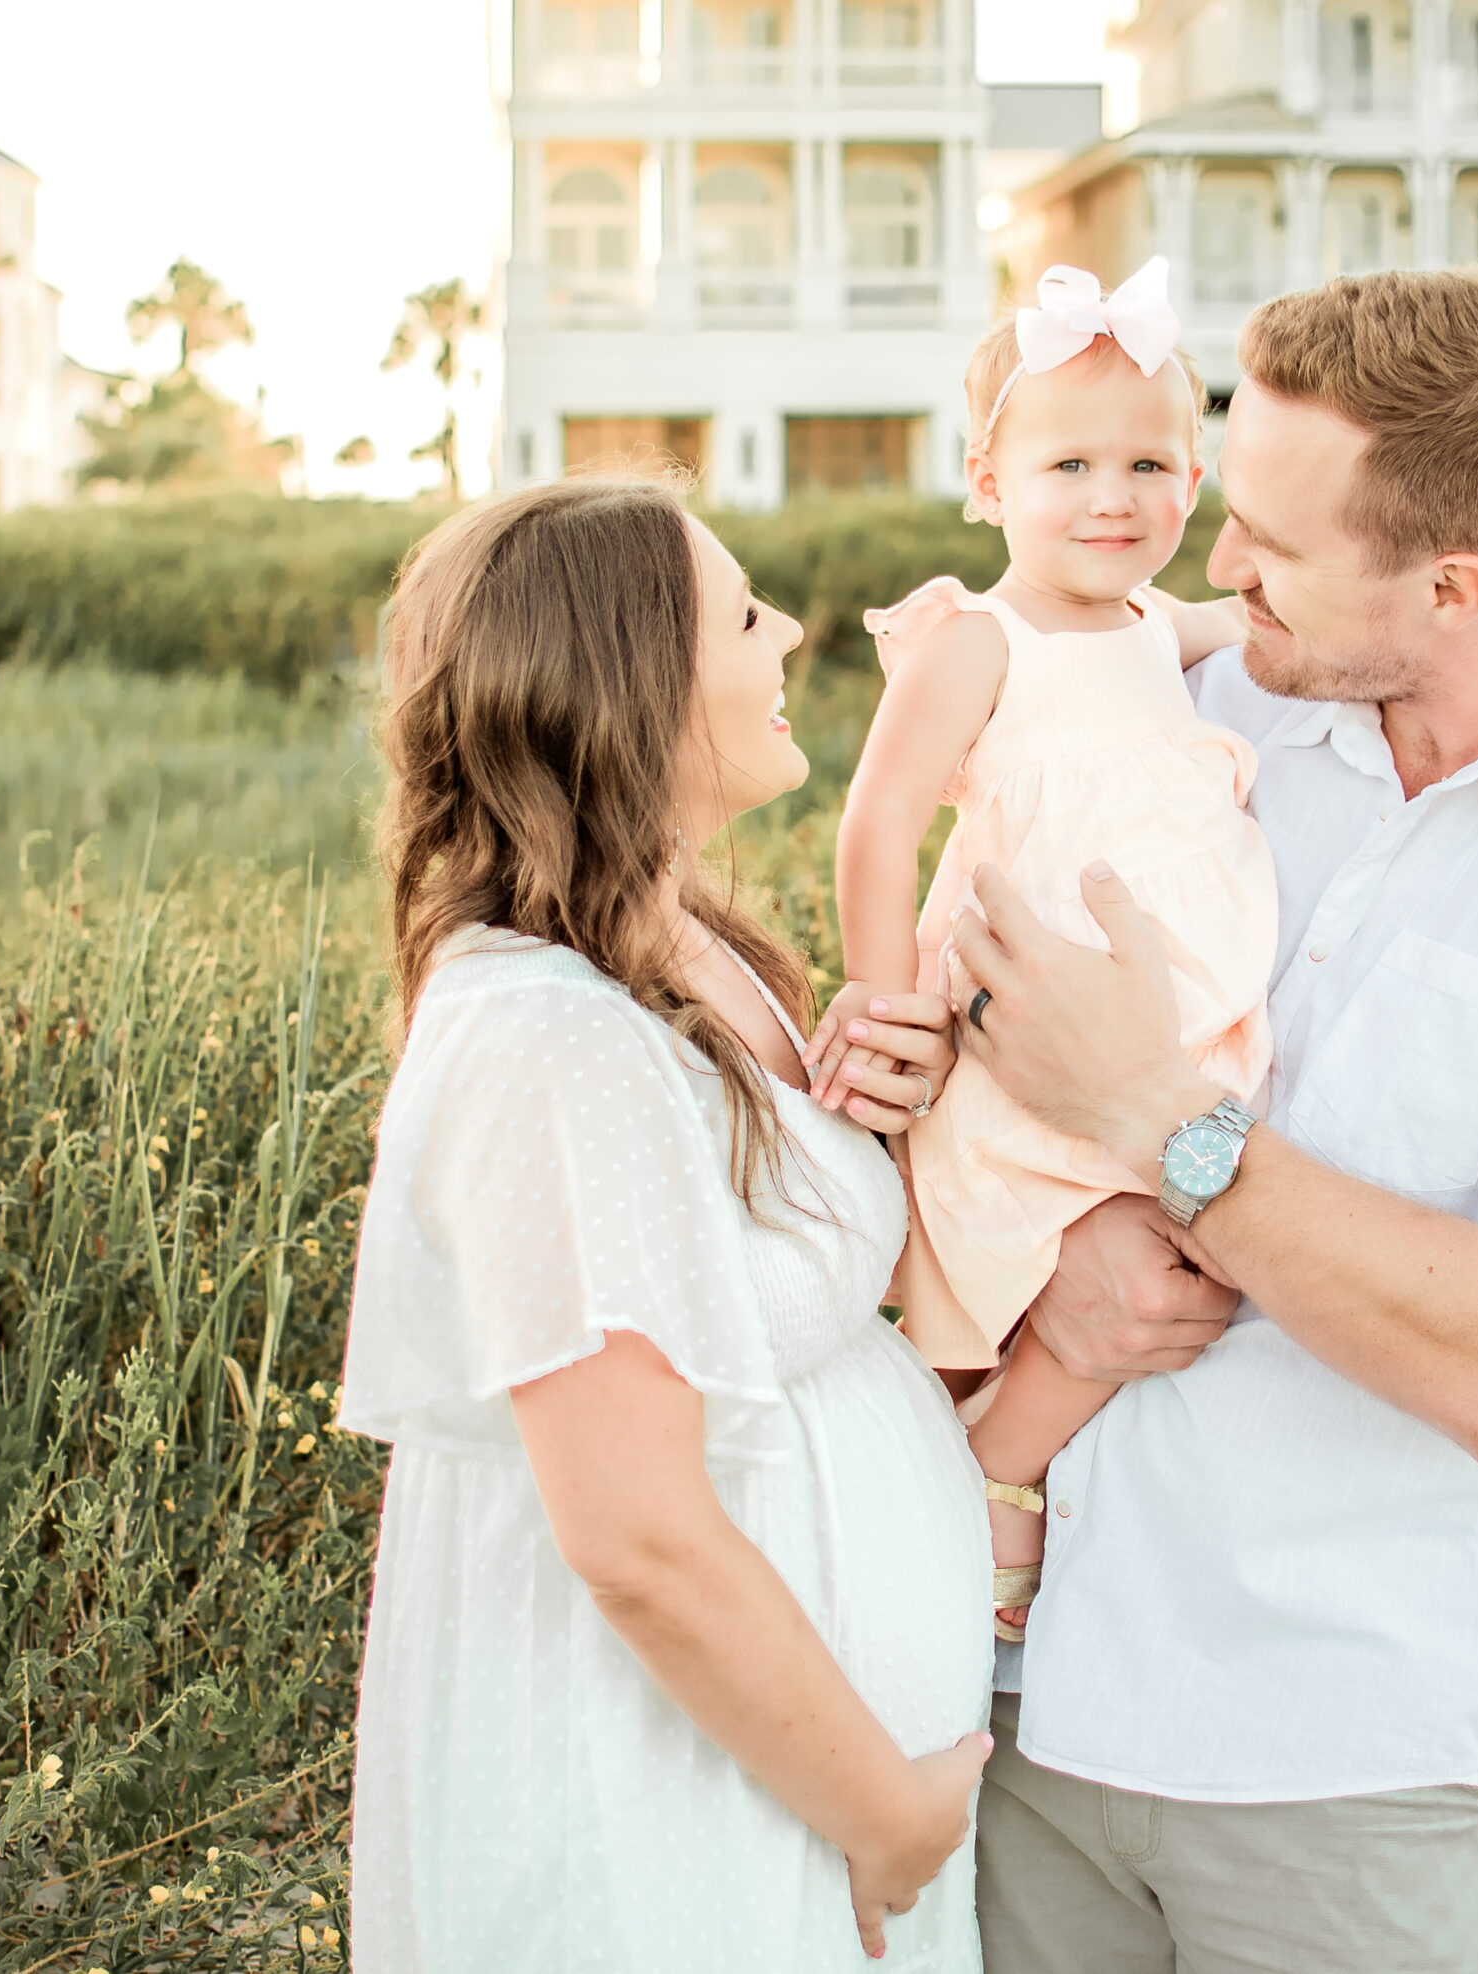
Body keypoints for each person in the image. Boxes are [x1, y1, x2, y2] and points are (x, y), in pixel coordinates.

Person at [947, 269, 1478, 1973]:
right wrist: (1049, 1256)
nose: (1213, 565)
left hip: (1352, 1767)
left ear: (1452, 582)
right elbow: (1000, 983)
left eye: (1268, 538)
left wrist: (1172, 1132)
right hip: (1023, 1704)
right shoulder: (1208, 706)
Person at [339, 477, 994, 1971]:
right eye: (748, 615)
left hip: (779, 1785)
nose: (792, 636)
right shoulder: (544, 1036)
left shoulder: (680, 935)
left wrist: (898, 1097)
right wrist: (883, 1810)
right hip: (685, 1794)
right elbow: (634, 1531)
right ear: (632, 681)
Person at [800, 258, 1271, 1643]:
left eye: (1151, 462)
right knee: (1083, 1244)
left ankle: (995, 1457)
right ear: (990, 482)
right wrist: (890, 1005)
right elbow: (878, 824)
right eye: (1069, 462)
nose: (1114, 497)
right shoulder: (979, 640)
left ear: (1196, 481)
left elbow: (1266, 622)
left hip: (1164, 1028)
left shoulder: (1157, 629)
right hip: (1021, 1020)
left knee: (1191, 1245)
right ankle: (988, 1459)